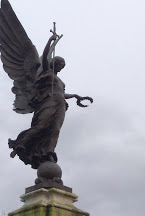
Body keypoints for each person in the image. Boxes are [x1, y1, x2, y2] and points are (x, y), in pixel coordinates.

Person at [8, 34, 92, 169]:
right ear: (53, 63)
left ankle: (48, 152)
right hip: (48, 102)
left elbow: (62, 93)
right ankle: (20, 144)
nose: (60, 67)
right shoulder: (46, 72)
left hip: (60, 104)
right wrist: (50, 41)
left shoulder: (60, 81)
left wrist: (76, 96)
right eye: (59, 64)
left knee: (55, 129)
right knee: (41, 126)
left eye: (62, 66)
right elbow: (45, 55)